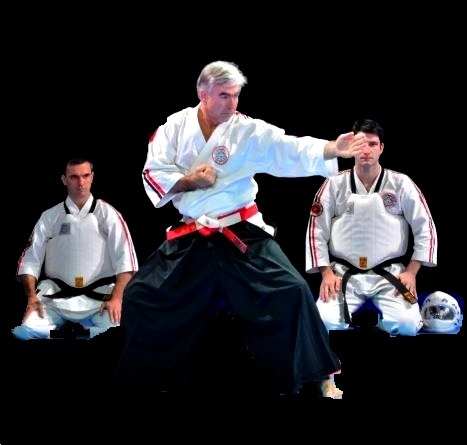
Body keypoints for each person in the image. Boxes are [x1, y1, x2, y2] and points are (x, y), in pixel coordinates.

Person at [113, 60, 366, 398]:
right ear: (203, 94)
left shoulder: (246, 130)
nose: (232, 103)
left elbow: (287, 147)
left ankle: (319, 375)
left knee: (293, 290)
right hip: (194, 233)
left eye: (235, 95)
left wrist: (333, 148)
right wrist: (189, 181)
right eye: (223, 95)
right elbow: (152, 171)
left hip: (241, 230)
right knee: (141, 295)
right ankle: (144, 380)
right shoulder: (174, 127)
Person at [305, 118, 438, 337]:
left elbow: (426, 228)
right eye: (360, 144)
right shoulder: (333, 184)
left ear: (381, 148)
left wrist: (411, 272)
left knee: (407, 325)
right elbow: (316, 231)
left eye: (372, 144)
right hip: (342, 273)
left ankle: (383, 326)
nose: (366, 150)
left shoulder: (401, 183)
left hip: (390, 273)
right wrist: (326, 273)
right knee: (322, 322)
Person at [13, 157, 139, 340]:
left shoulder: (108, 214)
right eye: (74, 177)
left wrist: (117, 298)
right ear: (64, 180)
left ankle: (70, 335)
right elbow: (30, 261)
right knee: (23, 332)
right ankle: (78, 335)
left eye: (85, 176)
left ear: (92, 177)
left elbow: (126, 261)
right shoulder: (49, 217)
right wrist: (31, 297)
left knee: (118, 332)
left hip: (99, 298)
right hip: (55, 297)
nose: (81, 182)